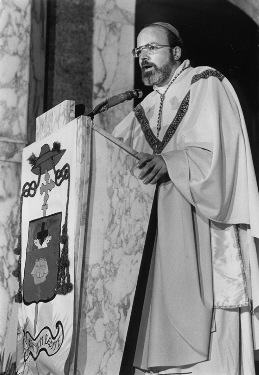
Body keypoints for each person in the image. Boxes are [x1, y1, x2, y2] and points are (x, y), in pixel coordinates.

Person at [112, 22, 259, 375]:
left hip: (203, 233)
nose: (143, 57)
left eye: (152, 48)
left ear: (176, 52)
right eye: (138, 51)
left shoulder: (205, 84)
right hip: (156, 248)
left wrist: (172, 162)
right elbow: (114, 159)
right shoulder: (141, 110)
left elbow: (223, 158)